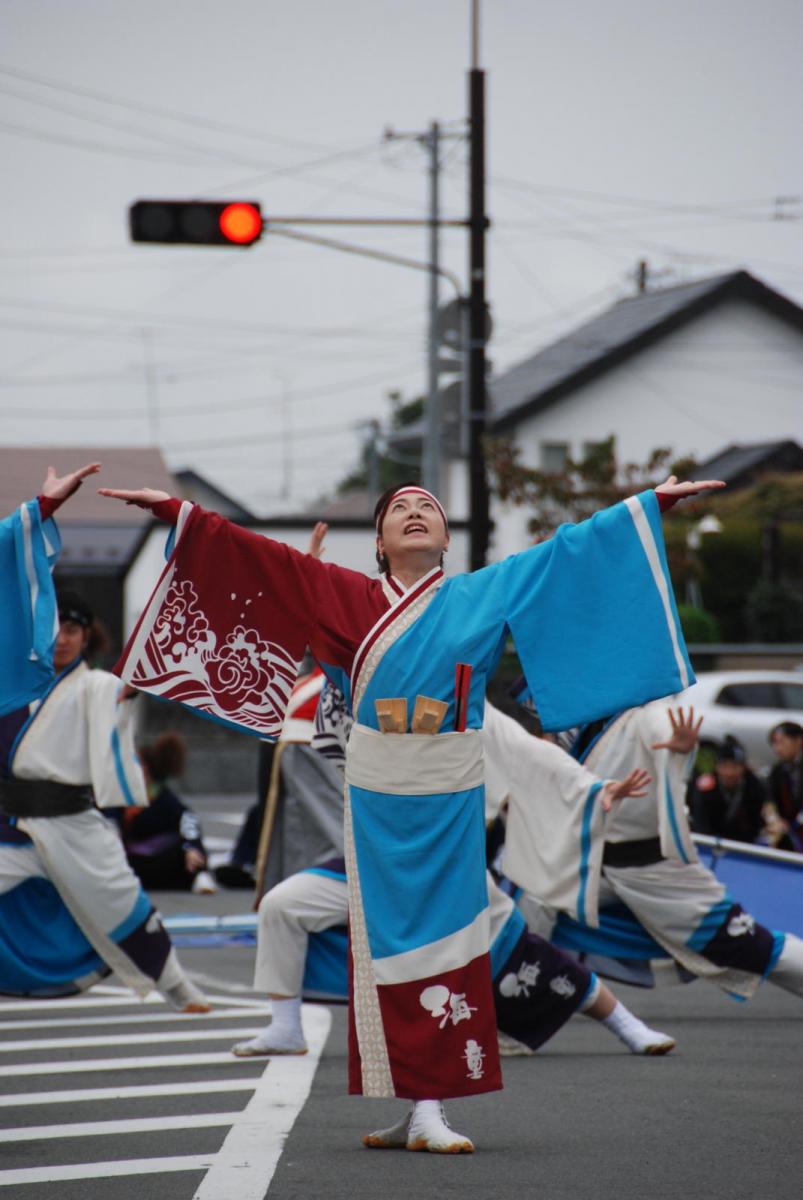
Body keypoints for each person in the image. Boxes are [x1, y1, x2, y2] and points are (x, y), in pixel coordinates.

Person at [99, 472, 722, 1153]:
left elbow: (564, 553)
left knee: (450, 944)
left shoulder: (478, 593)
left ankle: (431, 1102)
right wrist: (177, 511)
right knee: (386, 948)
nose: (415, 513)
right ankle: (416, 1100)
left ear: (447, 538)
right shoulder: (345, 594)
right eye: (399, 509)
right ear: (378, 541)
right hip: (375, 801)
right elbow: (257, 558)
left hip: (449, 800)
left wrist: (646, 504)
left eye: (427, 507)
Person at [231, 699, 676, 1083]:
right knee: (282, 906)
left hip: (444, 858)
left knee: (517, 955)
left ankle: (626, 1024)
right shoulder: (345, 683)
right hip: (371, 858)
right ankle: (286, 1028)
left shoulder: (456, 687)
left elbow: (524, 751)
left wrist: (591, 788)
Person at [0, 465, 208, 1008]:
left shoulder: (96, 685)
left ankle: (179, 988)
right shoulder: (14, 679)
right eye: (56, 626)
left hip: (71, 821)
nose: (63, 638)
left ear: (87, 635)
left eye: (74, 629)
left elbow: (126, 688)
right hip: (11, 825)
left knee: (124, 903)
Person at [503, 699, 803, 1005]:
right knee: (528, 906)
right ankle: (518, 1014)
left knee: (748, 945)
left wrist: (680, 749)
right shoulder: (595, 718)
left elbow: (664, 729)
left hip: (652, 870)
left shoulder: (649, 712)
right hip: (594, 864)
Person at [114, 733, 217, 894]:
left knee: (186, 851)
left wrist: (192, 848)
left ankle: (199, 875)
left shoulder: (165, 800)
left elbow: (188, 823)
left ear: (147, 770)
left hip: (161, 861)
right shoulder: (118, 799)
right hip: (130, 863)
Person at [688, 738, 766, 844]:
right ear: (716, 766)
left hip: (745, 845)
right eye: (724, 766)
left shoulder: (755, 786)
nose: (729, 773)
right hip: (711, 843)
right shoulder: (705, 786)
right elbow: (700, 823)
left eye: (734, 766)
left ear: (743, 767)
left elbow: (757, 822)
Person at [765, 721, 803, 852]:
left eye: (782, 742)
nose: (777, 749)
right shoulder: (777, 771)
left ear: (798, 741)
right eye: (774, 744)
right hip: (790, 831)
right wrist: (775, 820)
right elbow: (770, 801)